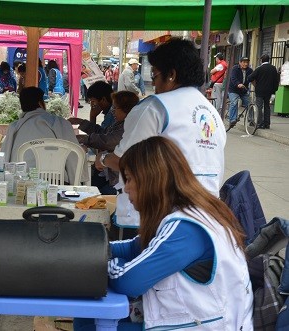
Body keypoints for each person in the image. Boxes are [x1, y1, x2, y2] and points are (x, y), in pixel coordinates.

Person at [74, 136, 253, 331]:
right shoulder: (189, 212)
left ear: (151, 179)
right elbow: (135, 246)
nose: (126, 188)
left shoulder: (187, 228)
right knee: (86, 317)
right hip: (193, 318)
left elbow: (128, 280)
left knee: (89, 326)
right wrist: (89, 250)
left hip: (204, 325)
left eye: (130, 179)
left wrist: (96, 262)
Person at [96, 38, 226, 227]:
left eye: (155, 76)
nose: (155, 85)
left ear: (171, 75)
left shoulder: (155, 108)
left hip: (156, 217)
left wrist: (102, 159)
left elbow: (125, 161)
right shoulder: (211, 112)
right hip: (205, 215)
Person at [1, 87, 82, 184]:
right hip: (55, 183)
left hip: (22, 183)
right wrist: (76, 183)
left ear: (22, 106)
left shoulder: (14, 127)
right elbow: (74, 156)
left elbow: (4, 157)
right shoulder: (59, 123)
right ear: (41, 103)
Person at [71, 91, 139, 194]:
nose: (112, 112)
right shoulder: (119, 124)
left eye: (115, 108)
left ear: (126, 110)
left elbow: (107, 141)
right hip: (110, 173)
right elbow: (103, 132)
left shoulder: (129, 127)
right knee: (89, 184)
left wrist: (85, 139)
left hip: (121, 180)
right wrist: (82, 122)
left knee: (94, 193)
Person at [248, 54, 280, 129]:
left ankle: (260, 123)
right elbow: (276, 81)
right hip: (269, 91)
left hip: (260, 91)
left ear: (261, 60)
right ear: (268, 60)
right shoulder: (273, 68)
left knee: (259, 106)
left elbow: (250, 78)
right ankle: (267, 123)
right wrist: (274, 91)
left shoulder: (259, 68)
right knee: (267, 106)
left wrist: (255, 82)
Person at [227, 56, 253, 129]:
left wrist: (257, 86)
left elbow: (252, 79)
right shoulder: (235, 68)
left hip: (243, 90)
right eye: (244, 62)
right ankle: (232, 119)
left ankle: (251, 120)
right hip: (234, 89)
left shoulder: (250, 70)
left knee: (250, 104)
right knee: (234, 102)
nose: (246, 64)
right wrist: (238, 84)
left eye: (247, 62)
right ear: (240, 63)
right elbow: (233, 78)